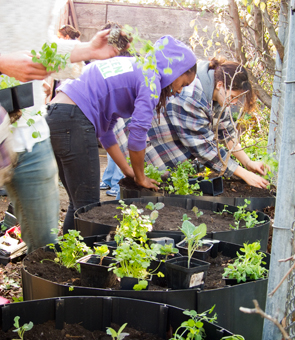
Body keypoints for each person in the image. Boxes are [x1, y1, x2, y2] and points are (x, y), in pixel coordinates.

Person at [0, 1, 127, 251]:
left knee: (45, 247)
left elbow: (41, 46)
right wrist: (2, 62)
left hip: (31, 132)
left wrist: (87, 49)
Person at [46, 35, 197, 232]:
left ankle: (65, 258)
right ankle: (80, 259)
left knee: (79, 204)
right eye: (183, 84)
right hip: (73, 119)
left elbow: (106, 132)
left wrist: (128, 170)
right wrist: (141, 177)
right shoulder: (151, 78)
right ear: (175, 70)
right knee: (89, 208)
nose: (179, 91)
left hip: (56, 115)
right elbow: (137, 134)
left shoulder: (136, 66)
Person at [113, 57, 269, 188]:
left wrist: (248, 163)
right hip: (143, 129)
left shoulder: (217, 94)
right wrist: (244, 174)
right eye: (234, 96)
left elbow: (227, 132)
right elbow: (204, 149)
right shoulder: (191, 96)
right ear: (221, 85)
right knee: (156, 181)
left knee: (175, 181)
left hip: (167, 128)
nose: (235, 102)